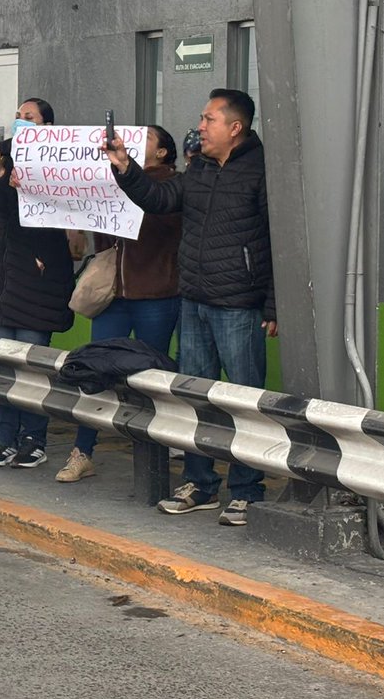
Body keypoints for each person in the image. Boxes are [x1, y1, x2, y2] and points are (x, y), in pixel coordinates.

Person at [108, 88, 275, 527]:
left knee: (243, 401)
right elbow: (162, 200)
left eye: (208, 119)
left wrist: (273, 305)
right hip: (194, 300)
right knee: (195, 399)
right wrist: (126, 169)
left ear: (234, 127)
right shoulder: (199, 167)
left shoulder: (262, 171)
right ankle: (200, 485)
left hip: (239, 304)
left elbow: (278, 243)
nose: (199, 126)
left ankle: (246, 491)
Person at [56, 125, 182, 482]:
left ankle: (157, 449)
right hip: (114, 295)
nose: (135, 144)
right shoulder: (109, 179)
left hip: (156, 293)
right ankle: (83, 451)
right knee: (93, 366)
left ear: (162, 153)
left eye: (147, 140)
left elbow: (163, 227)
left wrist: (129, 187)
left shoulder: (172, 186)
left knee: (153, 376)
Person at [0, 97, 75, 469]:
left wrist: (8, 178)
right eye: (17, 116)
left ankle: (34, 439)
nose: (20, 121)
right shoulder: (0, 155)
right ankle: (3, 438)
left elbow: (43, 217)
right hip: (3, 275)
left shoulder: (59, 161)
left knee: (33, 366)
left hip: (39, 276)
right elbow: (6, 213)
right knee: (3, 364)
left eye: (29, 117)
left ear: (46, 127)